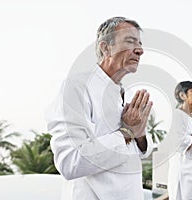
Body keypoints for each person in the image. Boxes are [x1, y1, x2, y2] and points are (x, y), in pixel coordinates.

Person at [46, 17, 153, 200]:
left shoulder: (127, 94)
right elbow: (70, 163)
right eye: (130, 41)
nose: (140, 50)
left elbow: (139, 152)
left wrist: (140, 135)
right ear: (106, 47)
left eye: (140, 44)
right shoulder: (76, 87)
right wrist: (127, 132)